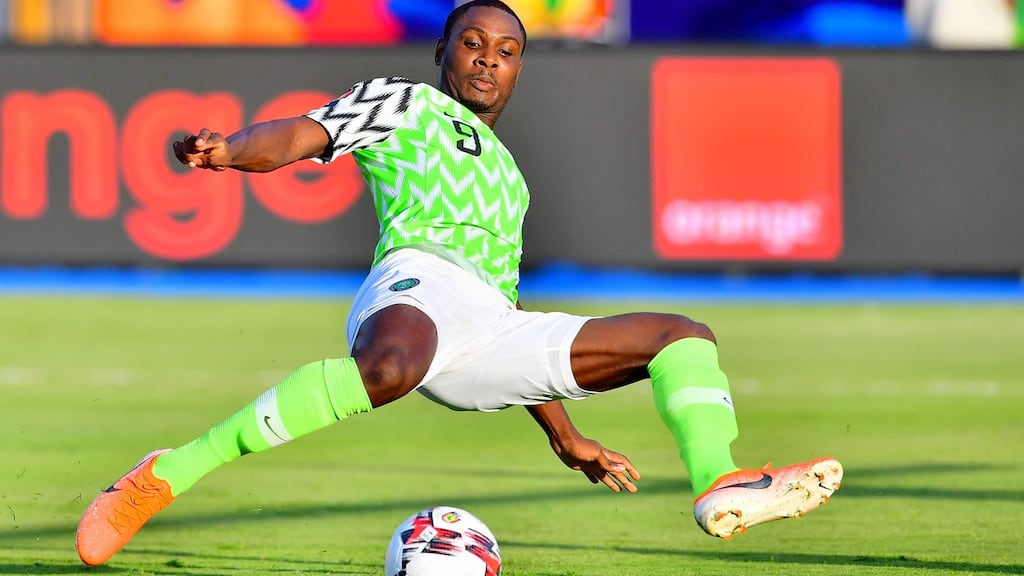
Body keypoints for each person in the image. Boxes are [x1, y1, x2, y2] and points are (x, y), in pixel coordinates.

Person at [75, 0, 843, 567]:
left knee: (682, 337)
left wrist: (567, 437)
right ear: (443, 50)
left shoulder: (511, 182)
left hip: (482, 328)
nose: (486, 58)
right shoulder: (405, 103)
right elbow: (299, 135)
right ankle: (161, 477)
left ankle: (719, 482)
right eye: (472, 43)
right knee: (388, 370)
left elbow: (500, 317)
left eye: (505, 50)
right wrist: (229, 151)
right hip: (413, 284)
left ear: (517, 67)